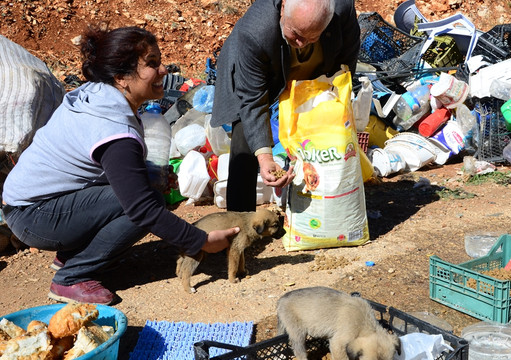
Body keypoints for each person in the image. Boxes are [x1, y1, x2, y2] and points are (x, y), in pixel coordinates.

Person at [1, 25, 240, 305]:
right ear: (121, 78)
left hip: (32, 203)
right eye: (151, 64)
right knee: (147, 200)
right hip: (34, 215)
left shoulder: (99, 93)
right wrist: (200, 241)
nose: (164, 70)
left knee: (144, 182)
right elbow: (141, 209)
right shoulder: (112, 126)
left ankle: (72, 254)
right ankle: (72, 277)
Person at [209, 0, 360, 211]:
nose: (301, 43)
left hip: (315, 66)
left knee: (323, 123)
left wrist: (336, 96)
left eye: (311, 37)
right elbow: (253, 100)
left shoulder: (341, 8)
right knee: (245, 133)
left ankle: (325, 200)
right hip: (262, 65)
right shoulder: (255, 32)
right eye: (296, 34)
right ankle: (241, 217)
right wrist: (265, 158)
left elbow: (347, 58)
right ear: (283, 9)